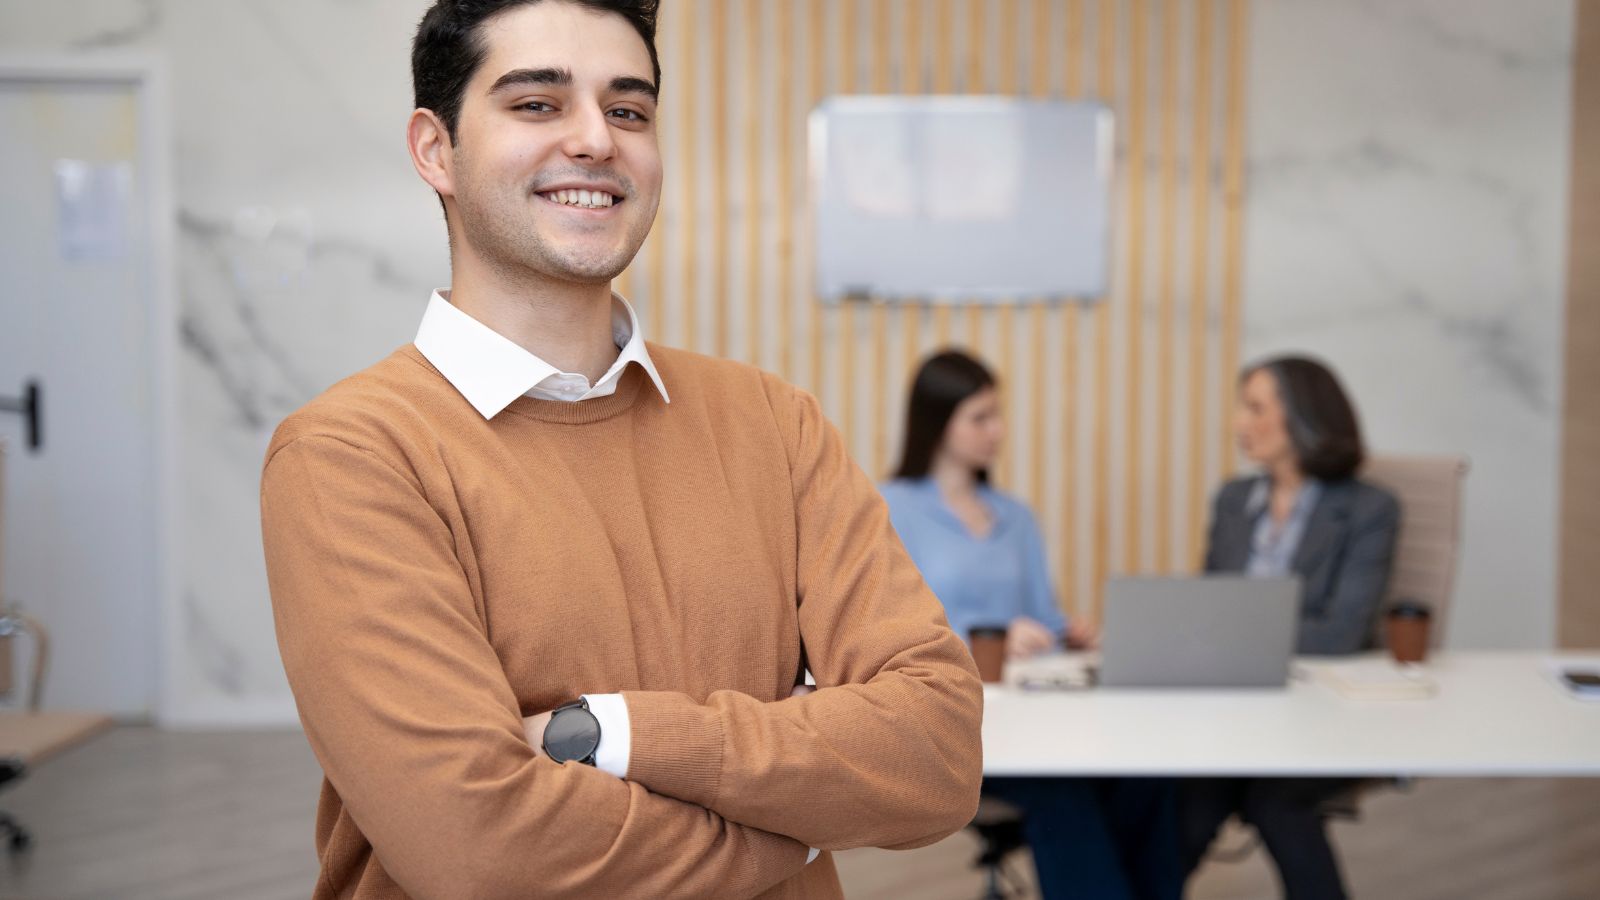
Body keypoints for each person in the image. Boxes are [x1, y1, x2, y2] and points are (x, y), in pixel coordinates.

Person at [258, 3, 983, 898]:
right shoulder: (351, 455)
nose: (596, 140)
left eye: (629, 110)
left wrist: (614, 733)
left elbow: (938, 751)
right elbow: (481, 850)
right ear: (434, 150)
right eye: (536, 105)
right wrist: (792, 828)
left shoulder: (772, 421)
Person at [881, 350, 1180, 900]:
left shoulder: (1016, 515)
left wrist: (1071, 632)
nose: (997, 431)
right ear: (937, 420)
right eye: (980, 417)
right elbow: (884, 628)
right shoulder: (888, 509)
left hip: (1037, 709)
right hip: (958, 717)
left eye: (998, 415)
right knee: (1061, 789)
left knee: (1150, 775)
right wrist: (986, 635)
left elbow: (1044, 615)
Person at [1181, 355, 1401, 900]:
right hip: (1233, 710)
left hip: (1322, 713)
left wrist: (1233, 630)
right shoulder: (1235, 501)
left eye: (1255, 408)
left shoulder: (1370, 509)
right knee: (1179, 793)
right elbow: (1210, 611)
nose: (1239, 424)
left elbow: (1341, 633)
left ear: (1304, 416)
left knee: (1274, 799)